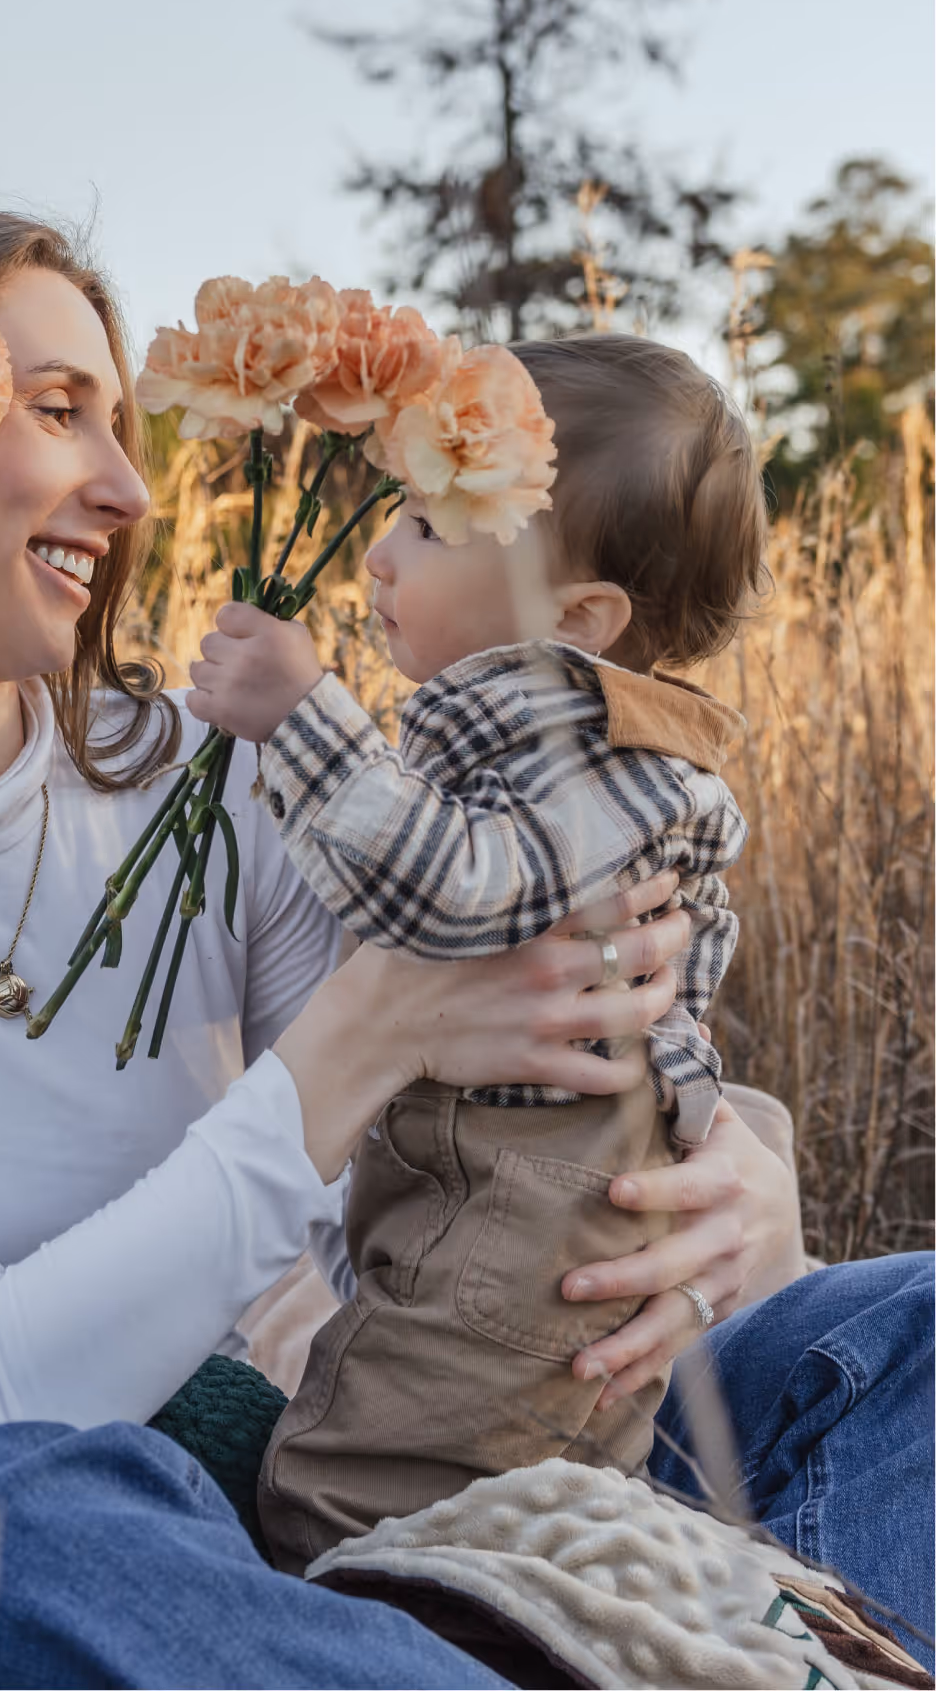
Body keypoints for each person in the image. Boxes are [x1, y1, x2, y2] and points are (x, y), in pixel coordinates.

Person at [0, 199, 927, 1687]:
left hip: (346, 1501)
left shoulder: (207, 771)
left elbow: (477, 1132)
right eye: (61, 413)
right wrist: (365, 1036)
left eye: (123, 425)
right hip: (97, 1556)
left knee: (913, 1330)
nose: (129, 489)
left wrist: (727, 1191)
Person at [187, 333, 763, 1571]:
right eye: (398, 508)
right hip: (499, 1206)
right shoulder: (539, 739)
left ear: (578, 618)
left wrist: (304, 720)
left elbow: (461, 894)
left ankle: (386, 1626)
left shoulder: (607, 756)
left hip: (526, 1211)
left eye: (437, 529)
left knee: (357, 1487)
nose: (383, 552)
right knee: (498, 1487)